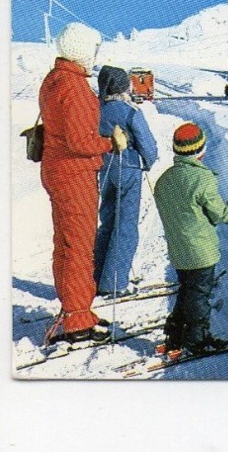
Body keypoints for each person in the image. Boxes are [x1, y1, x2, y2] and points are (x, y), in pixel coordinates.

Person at [39, 23, 126, 344]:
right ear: (81, 50)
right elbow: (79, 141)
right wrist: (110, 141)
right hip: (74, 174)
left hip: (57, 169)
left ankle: (75, 309)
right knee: (79, 247)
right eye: (93, 49)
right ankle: (77, 320)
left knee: (64, 243)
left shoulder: (53, 80)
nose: (95, 56)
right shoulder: (74, 87)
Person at [153, 122, 228, 356]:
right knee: (199, 294)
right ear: (200, 150)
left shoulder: (164, 179)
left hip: (179, 251)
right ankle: (196, 340)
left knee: (188, 290)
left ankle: (175, 336)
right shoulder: (202, 179)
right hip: (200, 251)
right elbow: (218, 213)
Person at [93, 65, 159, 298]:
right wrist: (148, 161)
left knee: (108, 221)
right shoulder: (130, 111)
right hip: (128, 168)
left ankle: (96, 275)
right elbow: (147, 144)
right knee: (126, 225)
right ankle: (115, 282)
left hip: (104, 169)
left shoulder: (96, 110)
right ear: (123, 86)